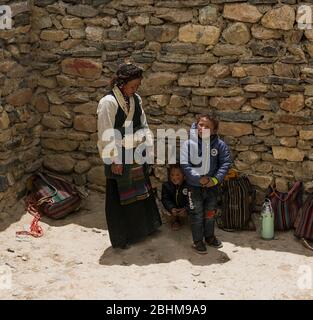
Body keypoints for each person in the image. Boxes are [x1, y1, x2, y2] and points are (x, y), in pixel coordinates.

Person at [97, 63, 162, 249]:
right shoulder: (108, 103)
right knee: (120, 196)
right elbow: (105, 132)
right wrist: (114, 159)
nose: (135, 89)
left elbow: (143, 124)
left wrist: (147, 146)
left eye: (137, 86)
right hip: (118, 155)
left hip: (135, 153)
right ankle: (122, 238)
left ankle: (144, 230)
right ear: (121, 83)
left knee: (141, 192)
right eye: (133, 86)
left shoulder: (135, 100)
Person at [181, 113, 232, 254]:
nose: (202, 128)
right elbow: (185, 164)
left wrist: (214, 180)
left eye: (207, 126)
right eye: (201, 125)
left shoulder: (220, 145)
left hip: (212, 187)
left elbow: (225, 163)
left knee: (210, 213)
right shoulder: (189, 144)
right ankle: (198, 241)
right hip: (194, 187)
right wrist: (199, 178)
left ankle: (209, 237)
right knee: (196, 214)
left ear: (214, 131)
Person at [161, 164, 188, 231]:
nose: (174, 178)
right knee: (168, 212)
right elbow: (165, 199)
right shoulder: (166, 186)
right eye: (172, 175)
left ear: (184, 176)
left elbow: (193, 199)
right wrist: (171, 208)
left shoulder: (188, 185)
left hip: (185, 207)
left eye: (178, 175)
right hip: (175, 208)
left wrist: (186, 208)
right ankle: (176, 220)